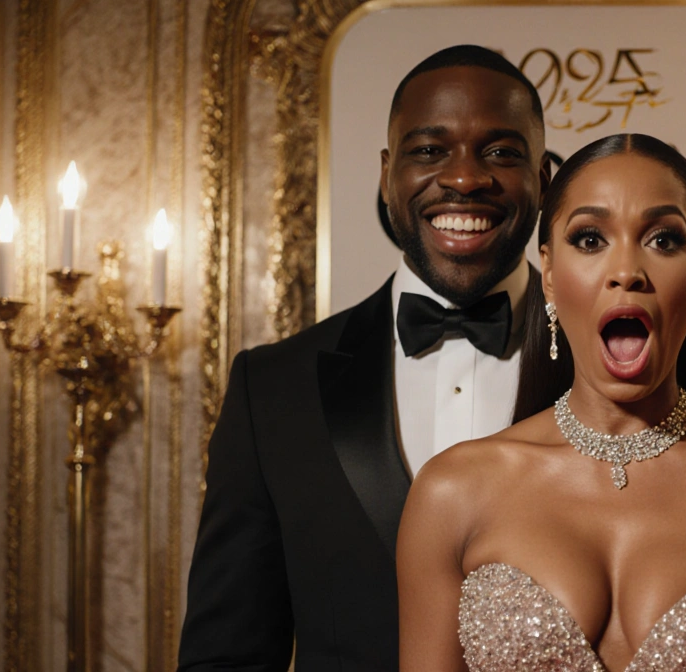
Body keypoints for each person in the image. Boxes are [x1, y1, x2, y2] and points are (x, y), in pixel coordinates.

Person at [397, 133, 686, 672]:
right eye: (590, 239)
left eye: (662, 240)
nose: (627, 269)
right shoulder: (451, 494)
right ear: (551, 276)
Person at [177, 45, 550, 671]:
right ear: (386, 174)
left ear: (543, 177)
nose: (464, 178)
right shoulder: (271, 389)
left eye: (501, 152)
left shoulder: (622, 372)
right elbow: (226, 657)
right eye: (429, 151)